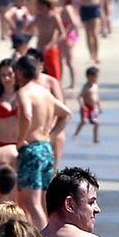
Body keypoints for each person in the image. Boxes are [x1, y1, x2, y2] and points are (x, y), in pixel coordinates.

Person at [14, 55, 70, 226]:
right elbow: (66, 113)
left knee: (31, 203)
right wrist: (51, 135)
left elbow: (27, 115)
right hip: (46, 148)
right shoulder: (44, 92)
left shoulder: (24, 92)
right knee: (42, 202)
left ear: (20, 72)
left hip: (31, 149)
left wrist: (21, 139)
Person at [74, 66, 102, 143]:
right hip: (86, 107)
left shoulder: (95, 86)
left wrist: (99, 106)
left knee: (97, 123)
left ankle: (95, 139)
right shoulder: (86, 87)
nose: (96, 78)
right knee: (84, 121)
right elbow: (80, 97)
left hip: (94, 107)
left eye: (97, 77)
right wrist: (82, 105)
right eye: (94, 77)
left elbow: (96, 97)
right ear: (88, 77)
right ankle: (76, 135)